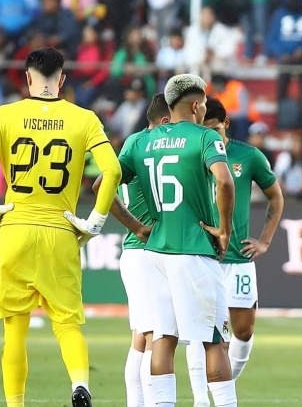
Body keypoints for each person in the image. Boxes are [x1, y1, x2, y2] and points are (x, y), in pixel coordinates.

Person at [0, 47, 125, 407]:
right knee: (67, 325)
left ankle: (16, 405)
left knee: (14, 330)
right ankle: (80, 384)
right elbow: (112, 171)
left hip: (15, 227)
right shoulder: (84, 118)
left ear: (28, 78)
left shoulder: (5, 115)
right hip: (61, 230)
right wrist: (95, 222)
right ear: (62, 80)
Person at [111, 74, 238, 407]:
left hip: (154, 251)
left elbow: (100, 187)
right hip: (194, 249)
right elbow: (225, 183)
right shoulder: (205, 137)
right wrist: (224, 231)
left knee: (163, 338)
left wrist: (136, 227)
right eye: (205, 104)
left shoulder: (141, 141)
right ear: (196, 105)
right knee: (215, 341)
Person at [182, 96, 284, 403]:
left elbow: (275, 198)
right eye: (204, 129)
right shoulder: (193, 152)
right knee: (201, 331)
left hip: (238, 258)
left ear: (226, 124)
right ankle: (205, 398)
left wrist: (264, 240)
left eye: (214, 128)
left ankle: (225, 384)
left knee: (243, 331)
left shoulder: (248, 156)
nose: (210, 135)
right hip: (202, 254)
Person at [107, 94, 169, 407]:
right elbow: (103, 190)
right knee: (153, 337)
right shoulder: (154, 147)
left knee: (141, 337)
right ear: (165, 121)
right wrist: (138, 227)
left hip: (138, 252)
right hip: (144, 251)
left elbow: (108, 186)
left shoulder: (133, 143)